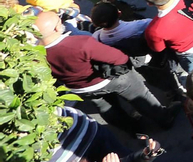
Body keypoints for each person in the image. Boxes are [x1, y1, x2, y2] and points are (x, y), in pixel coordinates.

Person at [35, 9, 177, 129]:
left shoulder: (36, 55)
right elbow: (118, 58)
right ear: (56, 28)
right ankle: (165, 119)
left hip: (80, 88)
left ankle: (131, 128)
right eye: (59, 21)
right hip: (109, 80)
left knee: (105, 107)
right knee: (140, 97)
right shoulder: (80, 43)